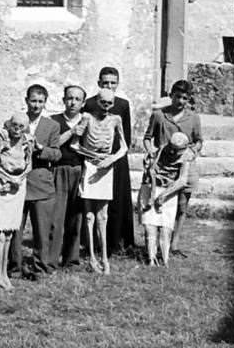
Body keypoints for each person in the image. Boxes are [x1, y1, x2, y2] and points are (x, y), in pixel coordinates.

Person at [144, 80, 204, 258]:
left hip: (185, 164)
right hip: (163, 166)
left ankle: (174, 244)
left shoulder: (193, 118)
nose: (180, 101)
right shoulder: (159, 115)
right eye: (177, 96)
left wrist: (193, 151)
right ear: (171, 95)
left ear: (189, 100)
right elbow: (148, 137)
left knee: (182, 206)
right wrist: (151, 151)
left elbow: (199, 141)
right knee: (159, 202)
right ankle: (158, 242)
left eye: (185, 98)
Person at [8, 84, 62, 277]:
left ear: (45, 103)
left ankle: (41, 265)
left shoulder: (52, 126)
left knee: (42, 229)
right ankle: (14, 266)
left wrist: (41, 149)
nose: (36, 105)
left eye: (40, 102)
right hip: (17, 183)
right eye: (33, 101)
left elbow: (57, 154)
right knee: (15, 228)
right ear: (26, 101)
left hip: (41, 182)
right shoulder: (14, 122)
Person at [74, 94, 127, 274]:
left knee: (103, 215)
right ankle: (92, 257)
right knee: (89, 215)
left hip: (106, 167)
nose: (106, 106)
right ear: (97, 102)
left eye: (109, 103)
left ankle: (104, 258)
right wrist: (91, 155)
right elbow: (74, 144)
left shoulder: (116, 119)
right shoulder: (87, 118)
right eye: (103, 102)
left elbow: (124, 147)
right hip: (90, 165)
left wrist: (112, 157)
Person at [87, 67, 136, 257]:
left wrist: (114, 157)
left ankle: (117, 241)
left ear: (118, 83)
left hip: (116, 159)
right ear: (99, 83)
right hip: (94, 159)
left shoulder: (122, 104)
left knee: (116, 199)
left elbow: (127, 137)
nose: (109, 85)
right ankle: (92, 241)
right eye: (105, 82)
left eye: (112, 82)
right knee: (95, 201)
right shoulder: (90, 103)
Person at [0, 114, 32, 290]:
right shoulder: (0, 140)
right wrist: (9, 179)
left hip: (17, 189)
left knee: (9, 232)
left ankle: (4, 272)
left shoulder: (28, 142)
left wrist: (18, 179)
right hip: (1, 186)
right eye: (15, 125)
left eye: (21, 126)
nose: (17, 130)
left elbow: (29, 165)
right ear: (10, 125)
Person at [138, 131, 193, 267]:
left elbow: (182, 180)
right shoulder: (162, 149)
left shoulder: (187, 156)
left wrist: (164, 196)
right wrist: (152, 193)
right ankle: (151, 259)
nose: (174, 153)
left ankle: (164, 259)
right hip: (152, 187)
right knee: (150, 225)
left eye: (178, 150)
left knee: (165, 227)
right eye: (173, 149)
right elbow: (151, 169)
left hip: (169, 190)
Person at [52, 85, 88, 267]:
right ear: (63, 100)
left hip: (80, 170)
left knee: (76, 217)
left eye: (77, 99)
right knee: (56, 217)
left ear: (83, 103)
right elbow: (53, 144)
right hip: (59, 170)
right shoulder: (54, 121)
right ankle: (50, 258)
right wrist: (72, 132)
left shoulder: (88, 121)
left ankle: (71, 259)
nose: (73, 102)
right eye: (69, 98)